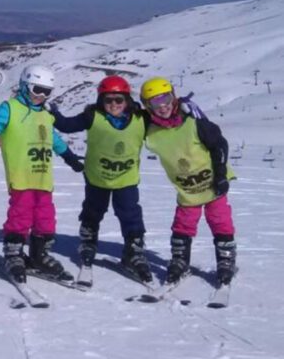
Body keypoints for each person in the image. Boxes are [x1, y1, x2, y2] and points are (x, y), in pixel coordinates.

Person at [0, 64, 84, 284]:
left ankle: (39, 254)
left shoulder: (45, 114)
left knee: (46, 217)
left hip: (43, 177)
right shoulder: (10, 109)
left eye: (47, 92)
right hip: (21, 176)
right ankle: (14, 253)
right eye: (37, 90)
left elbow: (54, 139)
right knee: (21, 213)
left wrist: (70, 157)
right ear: (25, 86)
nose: (41, 96)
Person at [50, 75, 152, 282]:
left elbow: (166, 121)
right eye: (108, 100)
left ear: (127, 100)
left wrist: (183, 110)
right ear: (100, 100)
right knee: (93, 210)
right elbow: (66, 126)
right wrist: (53, 113)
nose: (114, 104)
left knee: (130, 214)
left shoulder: (143, 118)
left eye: (119, 100)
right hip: (97, 177)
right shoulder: (92, 116)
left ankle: (133, 251)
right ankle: (88, 240)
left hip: (126, 179)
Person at [139, 77, 235, 286]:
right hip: (187, 190)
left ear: (173, 97)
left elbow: (219, 145)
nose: (162, 106)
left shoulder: (193, 122)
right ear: (147, 106)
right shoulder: (150, 129)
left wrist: (220, 175)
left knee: (220, 220)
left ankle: (226, 260)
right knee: (183, 223)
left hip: (212, 183)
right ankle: (180, 260)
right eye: (155, 102)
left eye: (165, 98)